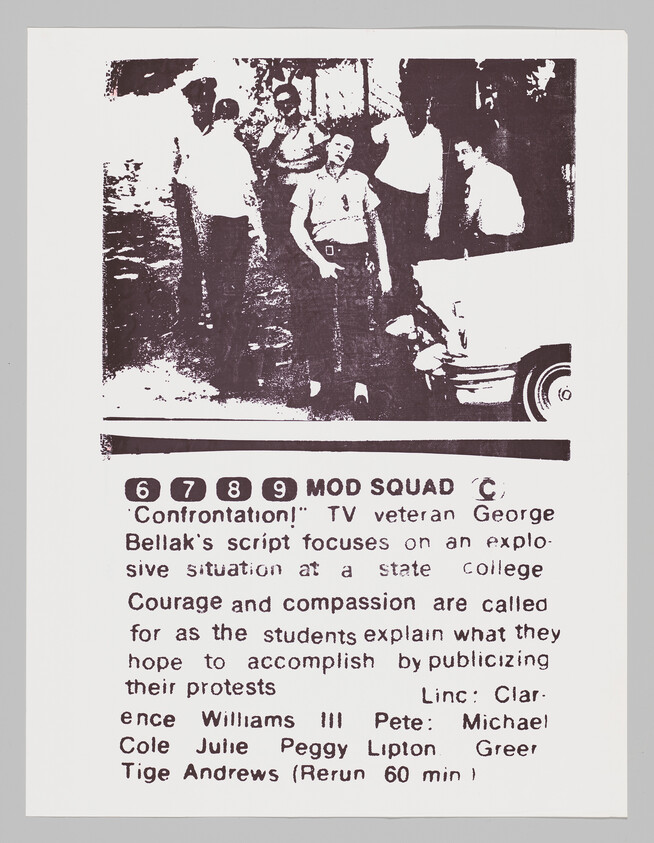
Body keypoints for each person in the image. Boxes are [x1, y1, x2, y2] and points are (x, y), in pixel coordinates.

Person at [289, 132, 391, 415]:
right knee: (317, 321)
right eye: (337, 145)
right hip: (322, 257)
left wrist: (384, 269)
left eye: (348, 147)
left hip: (356, 258)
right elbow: (296, 226)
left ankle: (360, 390)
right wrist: (320, 262)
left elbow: (375, 226)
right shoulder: (309, 181)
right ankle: (318, 387)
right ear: (327, 147)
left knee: (356, 322)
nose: (342, 150)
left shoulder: (359, 180)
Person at [184, 98, 267, 393]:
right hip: (232, 228)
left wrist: (200, 224)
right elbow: (249, 194)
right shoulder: (238, 150)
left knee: (218, 295)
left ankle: (223, 366)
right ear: (234, 120)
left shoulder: (201, 147)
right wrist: (259, 230)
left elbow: (188, 184)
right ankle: (228, 368)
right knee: (232, 297)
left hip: (211, 226)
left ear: (217, 117)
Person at [371, 99, 443, 316]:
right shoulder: (393, 125)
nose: (412, 111)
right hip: (386, 194)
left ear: (427, 106)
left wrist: (433, 219)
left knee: (406, 253)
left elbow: (437, 179)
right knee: (385, 249)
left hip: (413, 202)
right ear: (403, 106)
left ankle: (404, 304)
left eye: (417, 106)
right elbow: (373, 136)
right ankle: (390, 304)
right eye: (408, 106)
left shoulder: (433, 135)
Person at [257, 83, 328, 261]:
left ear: (297, 102)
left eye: (288, 103)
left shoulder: (312, 127)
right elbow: (264, 162)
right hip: (282, 194)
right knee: (283, 241)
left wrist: (286, 165)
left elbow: (320, 158)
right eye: (279, 105)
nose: (285, 109)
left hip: (309, 191)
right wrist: (278, 138)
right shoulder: (271, 129)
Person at [172, 77, 217, 335]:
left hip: (214, 197)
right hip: (187, 196)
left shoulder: (221, 128)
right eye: (198, 102)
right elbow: (177, 165)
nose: (203, 106)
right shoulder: (182, 130)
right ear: (191, 104)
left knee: (213, 257)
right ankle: (188, 318)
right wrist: (180, 196)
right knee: (191, 258)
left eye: (207, 101)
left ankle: (216, 315)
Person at [452, 125, 525, 256]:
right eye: (457, 153)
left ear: (478, 151)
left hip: (492, 243)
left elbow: (468, 216)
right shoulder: (501, 172)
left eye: (464, 152)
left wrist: (456, 235)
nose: (459, 158)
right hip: (514, 241)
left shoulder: (476, 177)